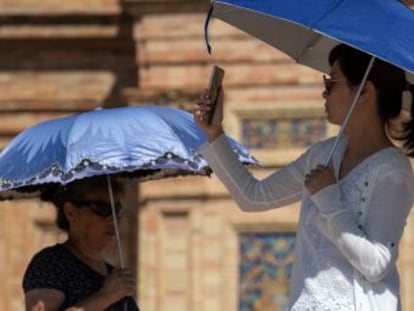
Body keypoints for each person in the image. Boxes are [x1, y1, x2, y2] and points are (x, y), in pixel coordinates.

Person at [193, 43, 414, 311]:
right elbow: (253, 196)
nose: (323, 93)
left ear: (365, 91)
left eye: (330, 83)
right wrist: (215, 134)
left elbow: (377, 264)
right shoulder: (322, 155)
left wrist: (329, 199)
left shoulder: (392, 170)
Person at [23, 176, 139, 311]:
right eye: (101, 208)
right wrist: (105, 296)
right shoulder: (50, 263)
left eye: (116, 210)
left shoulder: (114, 277)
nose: (113, 218)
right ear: (70, 212)